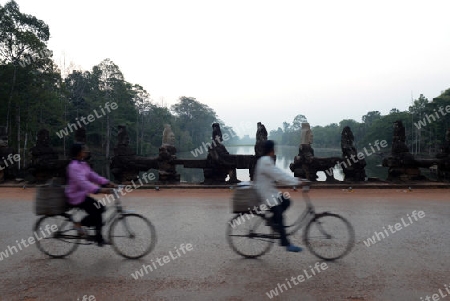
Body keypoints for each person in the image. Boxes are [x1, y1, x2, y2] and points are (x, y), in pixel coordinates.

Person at [254, 140, 303, 252]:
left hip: (270, 192)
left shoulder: (265, 160)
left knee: (286, 201)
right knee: (280, 215)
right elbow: (279, 176)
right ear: (271, 150)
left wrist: (294, 180)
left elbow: (279, 174)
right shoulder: (266, 161)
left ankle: (273, 220)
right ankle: (285, 243)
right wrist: (296, 182)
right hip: (265, 195)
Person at [65, 143, 116, 246]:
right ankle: (81, 226)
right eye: (83, 150)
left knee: (100, 209)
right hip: (75, 197)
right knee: (98, 211)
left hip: (82, 195)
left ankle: (96, 235)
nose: (85, 152)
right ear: (79, 152)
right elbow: (83, 183)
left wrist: (107, 182)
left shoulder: (83, 164)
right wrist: (99, 190)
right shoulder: (73, 167)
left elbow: (93, 176)